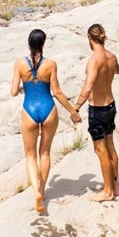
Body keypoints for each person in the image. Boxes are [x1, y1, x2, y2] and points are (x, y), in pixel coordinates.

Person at [10, 29, 80, 214]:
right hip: (49, 109)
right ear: (43, 43)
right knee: (45, 153)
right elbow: (56, 92)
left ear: (28, 43)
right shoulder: (50, 64)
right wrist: (73, 112)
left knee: (30, 155)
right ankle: (42, 189)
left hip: (29, 110)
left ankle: (36, 193)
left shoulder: (19, 63)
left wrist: (25, 87)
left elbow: (13, 91)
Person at [73, 24, 119, 202]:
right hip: (111, 106)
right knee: (110, 147)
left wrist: (75, 108)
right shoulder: (111, 57)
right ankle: (115, 187)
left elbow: (87, 88)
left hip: (98, 109)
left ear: (89, 37)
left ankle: (107, 192)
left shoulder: (94, 60)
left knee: (100, 150)